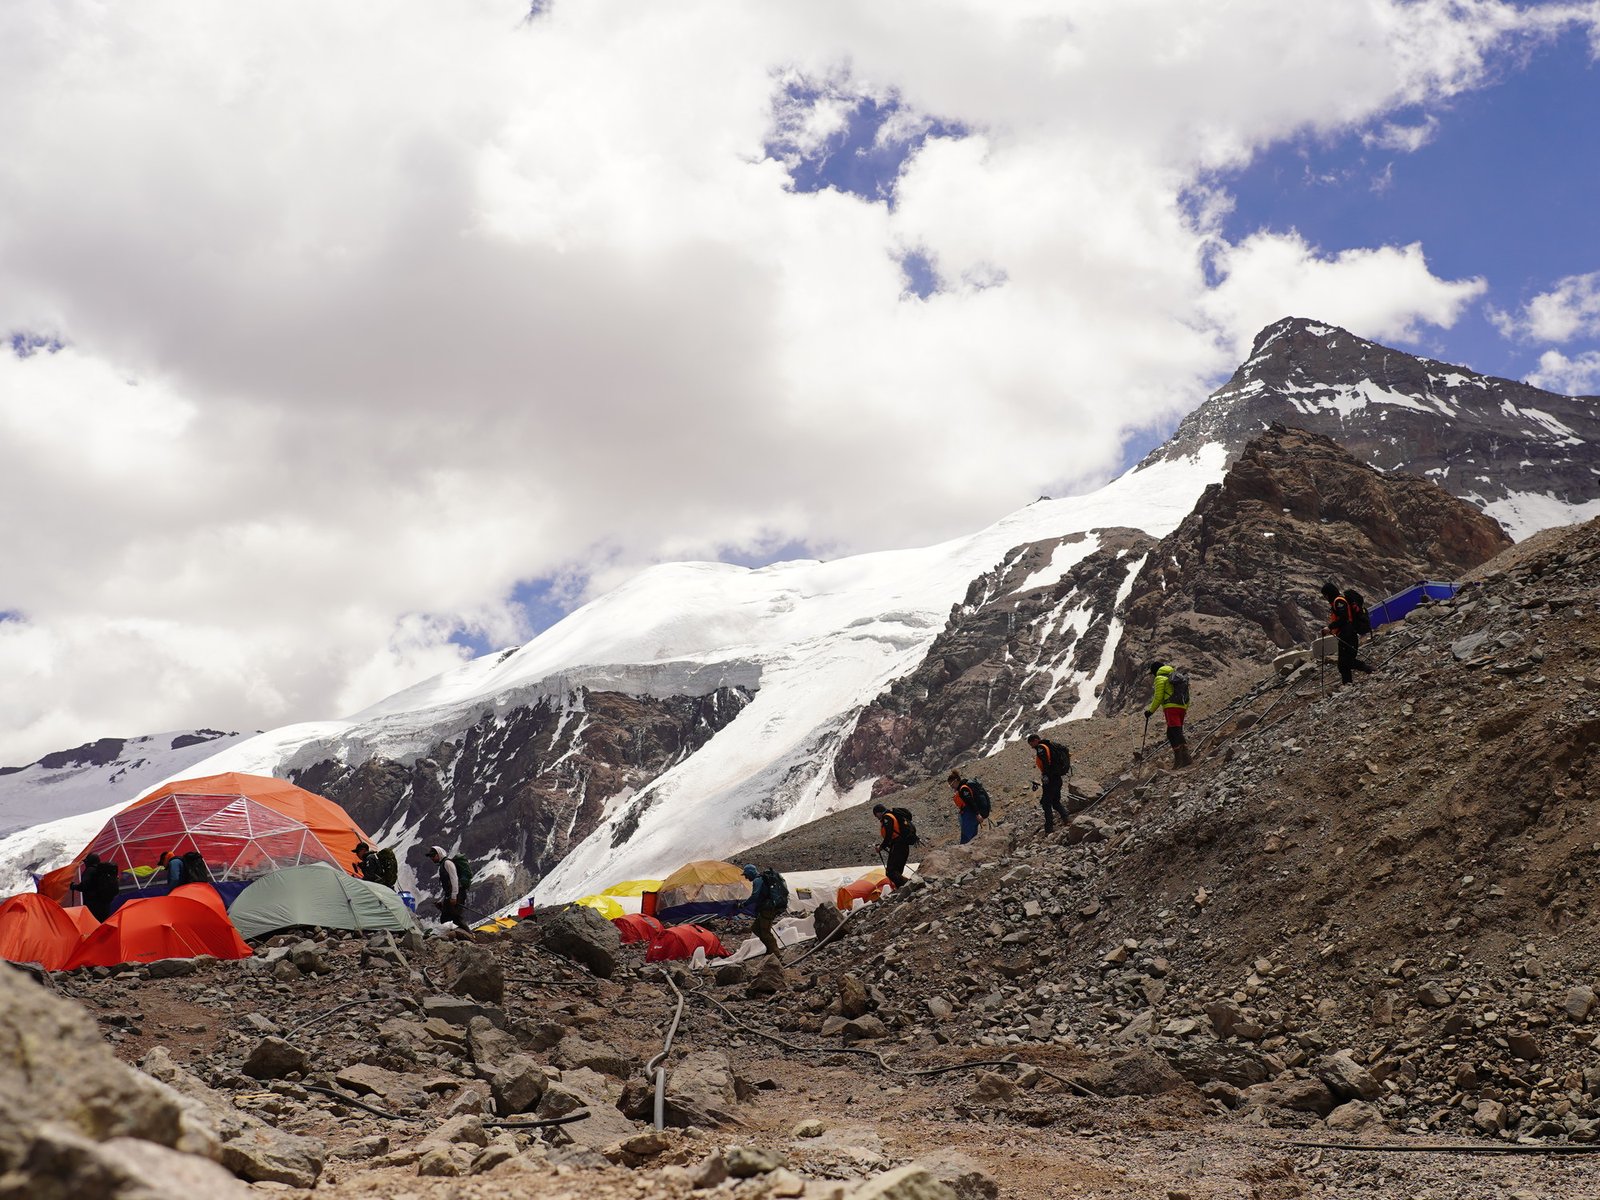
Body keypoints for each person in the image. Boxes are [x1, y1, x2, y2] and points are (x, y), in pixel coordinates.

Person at [1322, 582, 1373, 686]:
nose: (1326, 598)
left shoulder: (1339, 601)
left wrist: (1330, 627)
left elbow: (1344, 618)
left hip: (1348, 635)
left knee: (1346, 661)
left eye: (1325, 595)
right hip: (1345, 634)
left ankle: (1367, 668)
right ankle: (1347, 685)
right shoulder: (1336, 602)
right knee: (1342, 664)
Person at [1146, 662, 1190, 769]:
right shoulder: (1176, 675)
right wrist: (1184, 707)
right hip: (1182, 707)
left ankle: (1185, 758)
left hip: (1171, 707)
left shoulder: (1160, 678)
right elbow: (1186, 693)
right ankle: (1179, 760)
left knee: (1175, 732)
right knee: (1171, 733)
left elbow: (1159, 697)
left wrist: (1150, 711)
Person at [1026, 733, 1072, 832]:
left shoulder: (1041, 748)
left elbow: (1046, 762)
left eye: (1031, 744)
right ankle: (1066, 819)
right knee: (1055, 802)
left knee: (1046, 803)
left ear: (1035, 740)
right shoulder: (1049, 745)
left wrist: (1046, 775)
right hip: (1057, 777)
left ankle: (1049, 828)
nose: (1031, 747)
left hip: (1050, 779)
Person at [742, 864, 784, 962]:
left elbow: (755, 896)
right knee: (756, 928)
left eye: (746, 875)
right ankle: (770, 950)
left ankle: (776, 955)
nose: (746, 877)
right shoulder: (761, 879)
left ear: (751, 873)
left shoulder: (758, 880)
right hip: (766, 908)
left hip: (768, 908)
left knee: (765, 932)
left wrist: (744, 904)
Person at [426, 845, 471, 931]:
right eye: (431, 856)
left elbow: (454, 879)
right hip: (452, 894)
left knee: (456, 917)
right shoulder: (443, 864)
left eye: (433, 856)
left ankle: (469, 934)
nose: (432, 858)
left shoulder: (447, 863)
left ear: (439, 854)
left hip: (457, 894)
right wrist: (442, 900)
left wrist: (454, 897)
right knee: (446, 917)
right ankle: (454, 937)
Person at [872, 803, 916, 888]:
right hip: (902, 845)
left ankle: (908, 886)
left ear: (878, 812)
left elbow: (889, 834)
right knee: (897, 870)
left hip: (898, 845)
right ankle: (904, 888)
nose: (876, 817)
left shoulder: (887, 817)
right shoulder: (892, 816)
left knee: (890, 871)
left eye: (875, 815)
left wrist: (881, 847)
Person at [69, 853, 120, 921]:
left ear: (89, 862)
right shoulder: (104, 871)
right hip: (105, 904)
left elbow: (84, 886)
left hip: (93, 904)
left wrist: (73, 886)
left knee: (92, 923)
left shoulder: (90, 870)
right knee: (102, 923)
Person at [947, 771, 983, 844]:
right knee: (972, 839)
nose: (951, 787)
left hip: (970, 816)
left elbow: (971, 802)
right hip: (970, 815)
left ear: (956, 780)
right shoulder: (961, 788)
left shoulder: (963, 789)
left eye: (951, 784)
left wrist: (977, 814)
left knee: (966, 839)